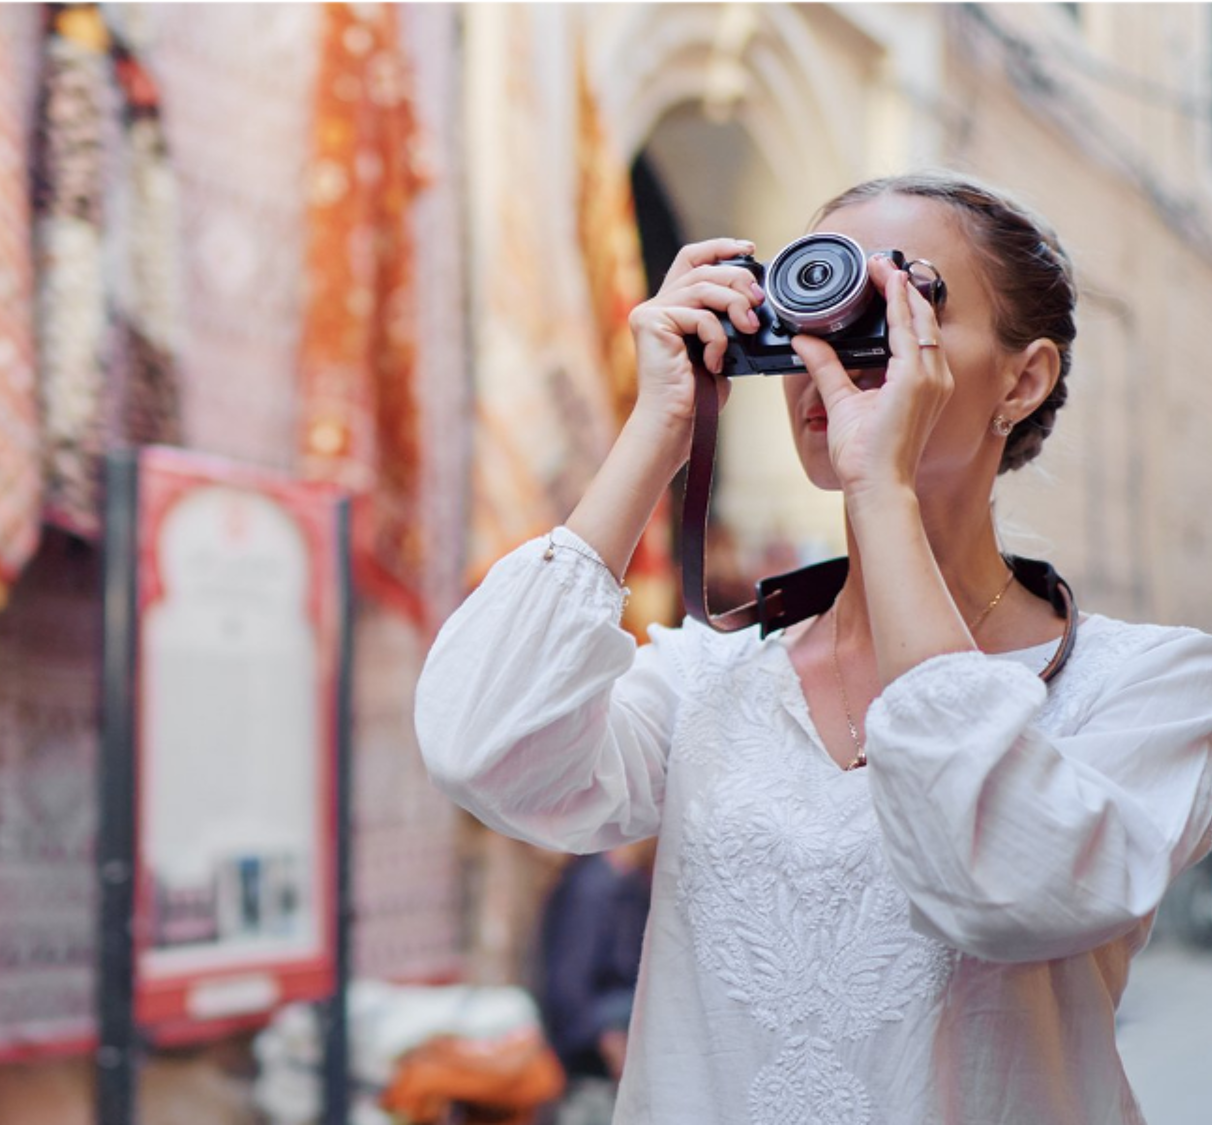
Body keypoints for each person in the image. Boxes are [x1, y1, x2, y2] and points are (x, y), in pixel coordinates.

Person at [414, 170, 1212, 1125]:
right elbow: (481, 747)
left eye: (902, 301)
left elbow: (1003, 883)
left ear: (1023, 378)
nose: (831, 347)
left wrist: (884, 495)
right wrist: (657, 427)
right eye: (813, 302)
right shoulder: (707, 678)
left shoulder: (1152, 686)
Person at [532, 839, 658, 1125]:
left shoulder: (629, 883)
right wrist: (609, 1040)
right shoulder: (594, 889)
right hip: (594, 1074)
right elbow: (568, 987)